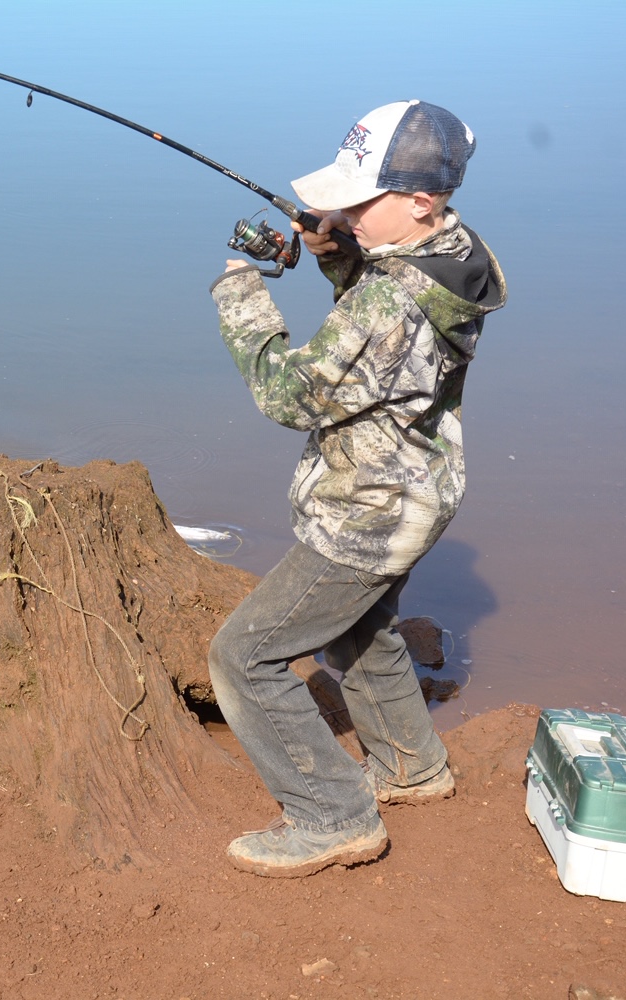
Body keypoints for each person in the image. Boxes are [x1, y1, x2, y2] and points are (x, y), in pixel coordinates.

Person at [206, 100, 507, 877]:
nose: (342, 210)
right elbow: (390, 335)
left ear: (419, 200)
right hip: (422, 486)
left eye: (359, 200)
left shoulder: (387, 301)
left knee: (244, 657)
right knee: (358, 626)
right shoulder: (454, 250)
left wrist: (241, 299)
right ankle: (412, 765)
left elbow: (291, 394)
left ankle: (332, 817)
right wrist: (340, 248)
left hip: (369, 512)